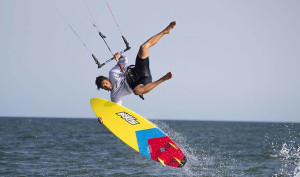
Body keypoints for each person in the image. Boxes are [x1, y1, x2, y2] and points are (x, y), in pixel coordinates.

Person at [95, 21, 176, 123]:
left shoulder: (113, 73)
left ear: (107, 79)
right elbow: (116, 111)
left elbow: (123, 60)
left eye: (105, 83)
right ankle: (162, 79)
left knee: (143, 46)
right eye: (103, 87)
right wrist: (103, 119)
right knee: (136, 92)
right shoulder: (114, 95)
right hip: (143, 82)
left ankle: (166, 31)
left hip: (140, 69)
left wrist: (119, 55)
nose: (106, 86)